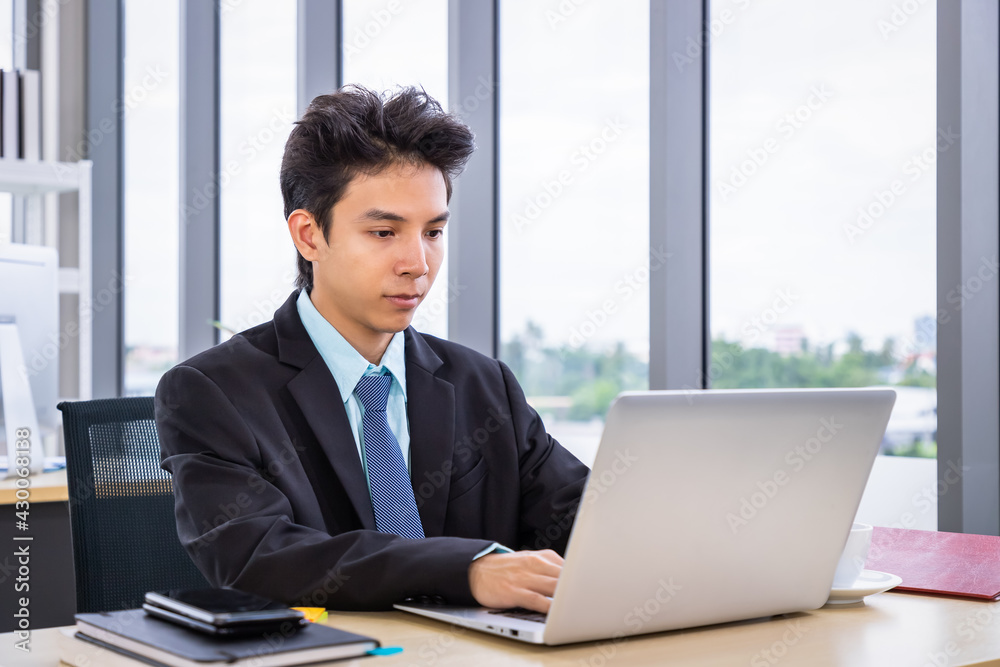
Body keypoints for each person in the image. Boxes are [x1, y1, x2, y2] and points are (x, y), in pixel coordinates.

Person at [155, 85, 589, 613]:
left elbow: (583, 517)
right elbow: (258, 556)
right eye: (384, 232)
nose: (418, 263)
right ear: (309, 235)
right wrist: (467, 569)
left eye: (433, 231)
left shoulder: (484, 383)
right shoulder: (213, 392)